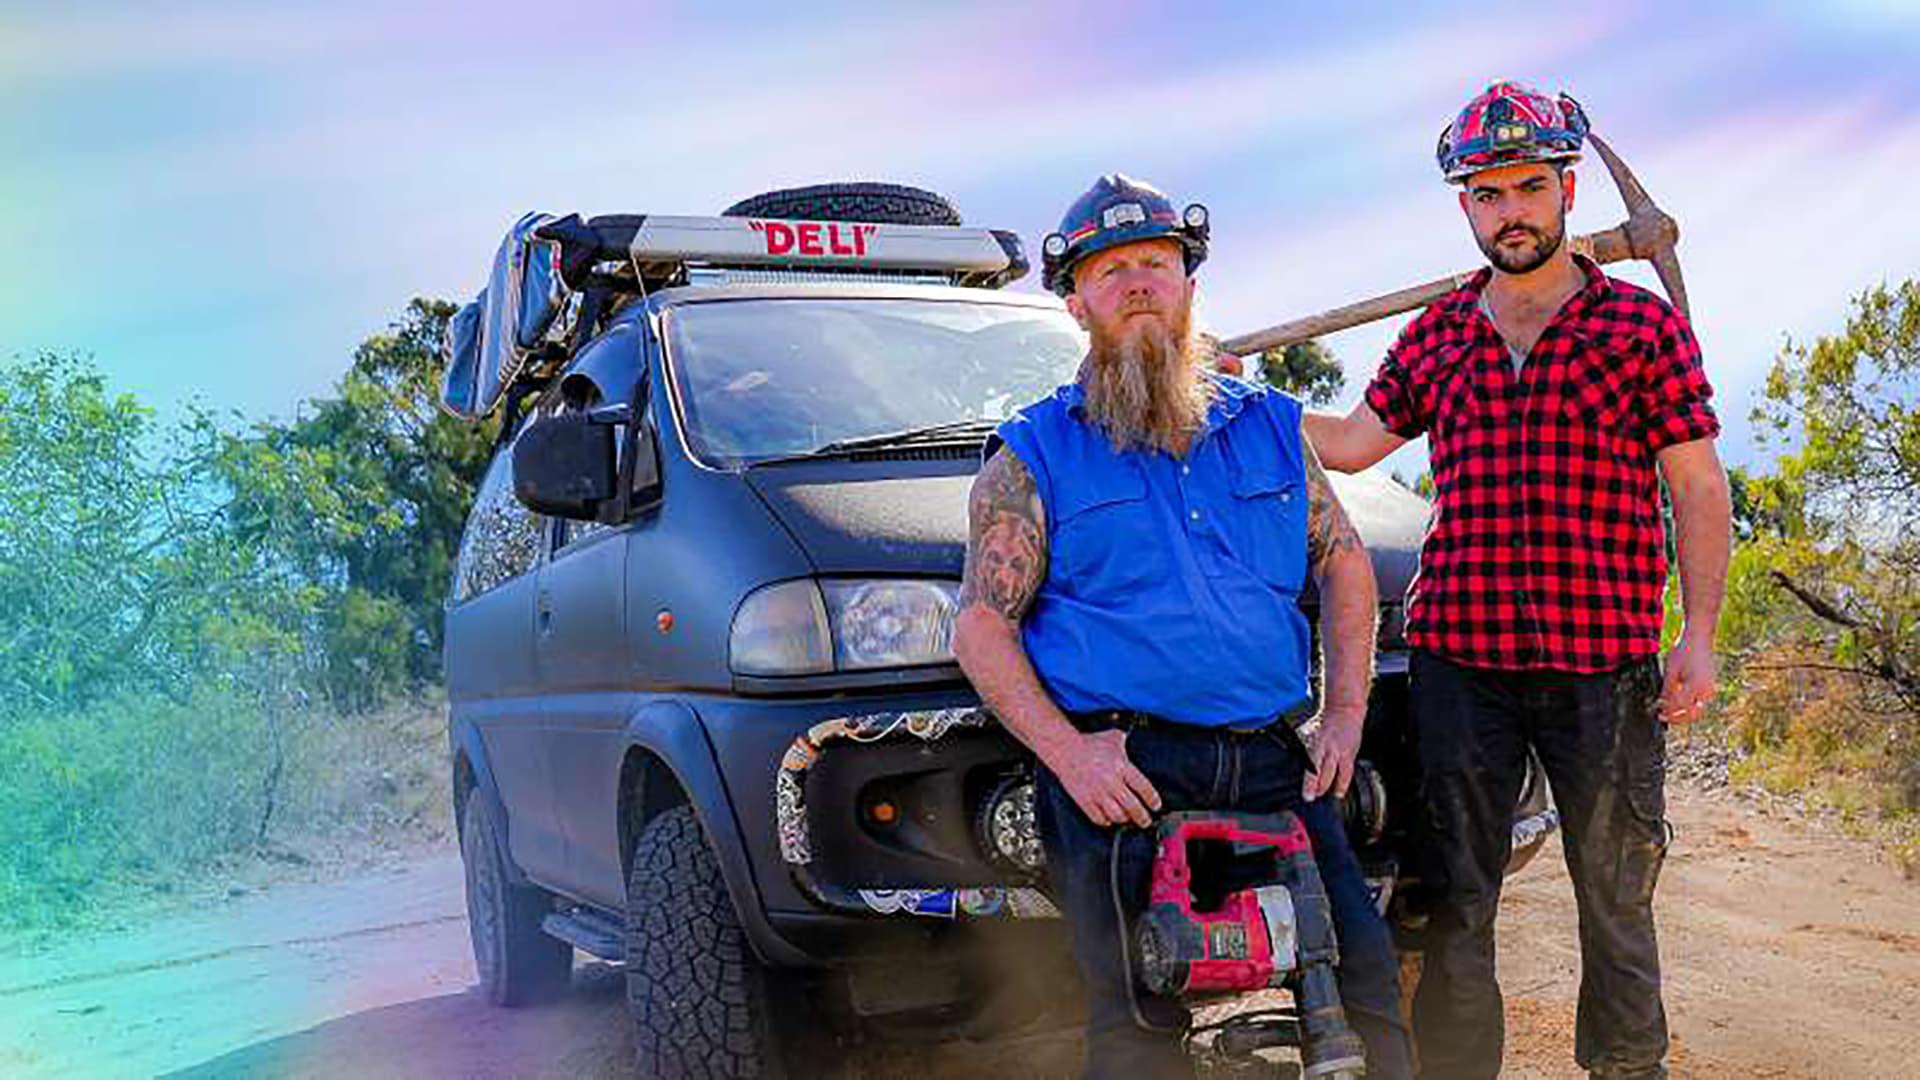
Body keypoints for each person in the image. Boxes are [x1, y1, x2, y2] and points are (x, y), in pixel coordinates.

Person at [1304, 83, 1733, 1080]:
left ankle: (1630, 1068)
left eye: (1528, 187)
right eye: (1487, 193)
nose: (1511, 210)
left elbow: (1697, 486)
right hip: (1463, 665)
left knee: (1616, 890)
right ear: (1465, 205)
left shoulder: (1638, 331)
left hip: (1605, 663)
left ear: (1568, 188)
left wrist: (1697, 632)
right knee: (1457, 897)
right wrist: (1226, 397)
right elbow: (1358, 444)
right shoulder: (1439, 335)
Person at [952, 174, 1414, 1080]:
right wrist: (1071, 755)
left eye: (1156, 263)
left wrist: (1346, 717)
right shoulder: (1033, 452)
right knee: (1136, 1019)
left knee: (1362, 989)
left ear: (1189, 285)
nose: (1136, 283)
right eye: (1110, 268)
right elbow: (980, 628)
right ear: (1076, 300)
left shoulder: (1274, 428)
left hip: (1275, 759)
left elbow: (1345, 559)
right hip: (1125, 774)